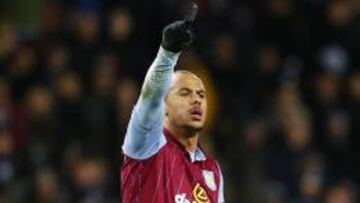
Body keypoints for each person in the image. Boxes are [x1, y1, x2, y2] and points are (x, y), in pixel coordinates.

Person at [121, 3, 225, 203]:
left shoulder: (212, 170)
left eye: (201, 95)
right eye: (185, 93)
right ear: (165, 107)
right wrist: (167, 55)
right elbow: (150, 98)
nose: (196, 99)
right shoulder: (147, 144)